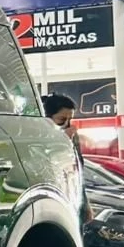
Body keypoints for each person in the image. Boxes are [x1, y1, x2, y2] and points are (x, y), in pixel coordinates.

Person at [43, 92, 90, 221]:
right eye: (62, 120)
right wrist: (61, 140)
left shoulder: (73, 137)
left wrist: (85, 204)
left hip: (73, 200)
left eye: (70, 120)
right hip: (52, 202)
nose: (67, 124)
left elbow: (78, 170)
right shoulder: (39, 139)